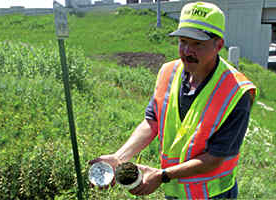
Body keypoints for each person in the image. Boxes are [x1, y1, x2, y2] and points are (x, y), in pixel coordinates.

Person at [89, 1, 258, 199]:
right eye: (183, 42)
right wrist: (119, 158)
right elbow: (152, 121)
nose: (187, 51)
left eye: (197, 44)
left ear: (218, 45)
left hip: (213, 194)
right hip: (175, 191)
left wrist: (162, 176)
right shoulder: (168, 72)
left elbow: (214, 158)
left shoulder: (237, 92)